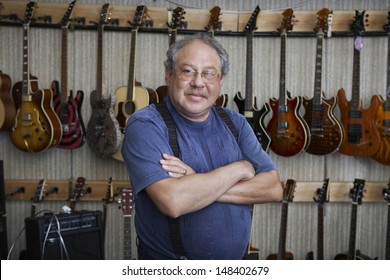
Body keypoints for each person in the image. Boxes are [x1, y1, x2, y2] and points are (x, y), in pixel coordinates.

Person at [121, 32, 283, 260]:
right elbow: (174, 201)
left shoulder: (235, 122)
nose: (198, 83)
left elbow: (273, 189)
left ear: (221, 81)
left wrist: (197, 180)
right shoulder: (146, 125)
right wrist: (239, 169)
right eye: (187, 71)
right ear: (169, 74)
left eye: (208, 73)